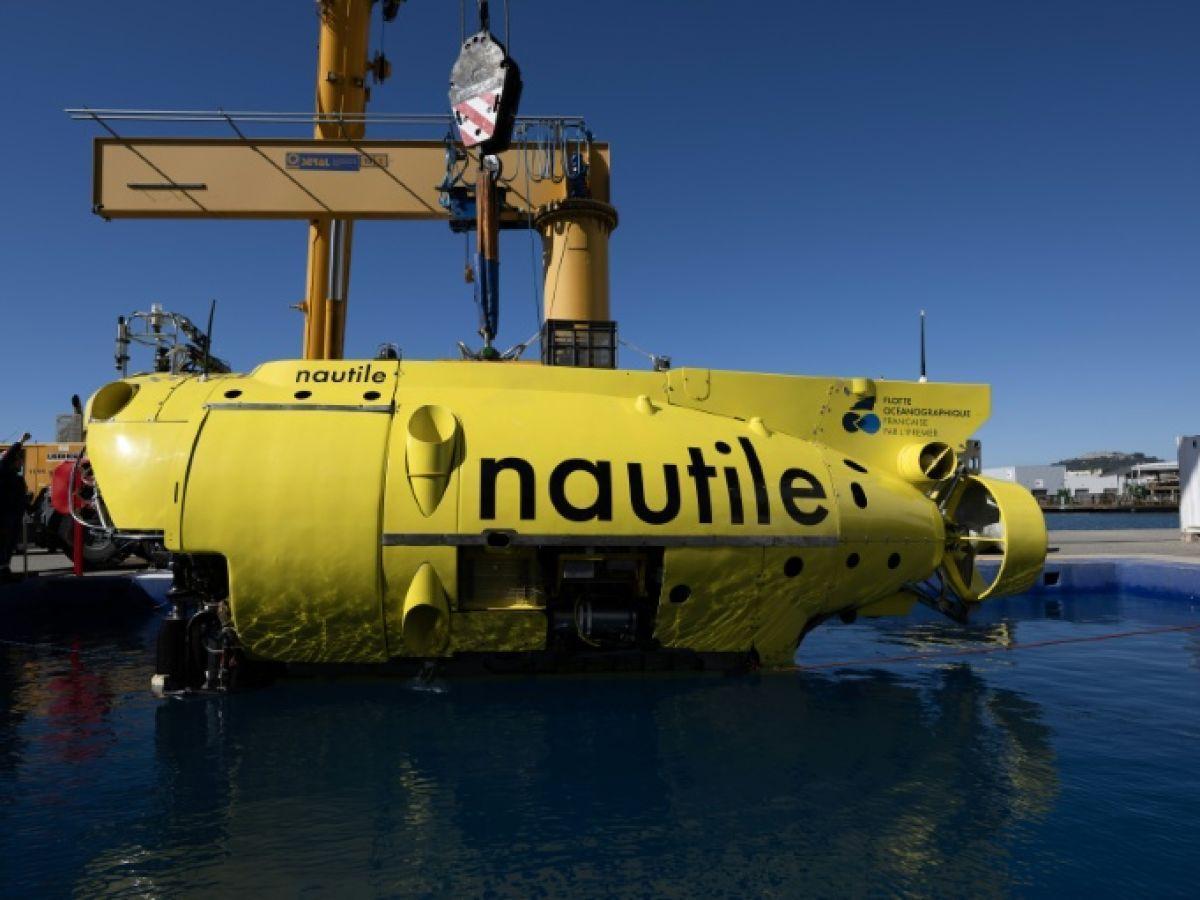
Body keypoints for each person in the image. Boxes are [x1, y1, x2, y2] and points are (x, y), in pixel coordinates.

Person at [0, 432, 32, 581]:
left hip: (14, 517)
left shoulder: (17, 478)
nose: (21, 463)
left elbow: (22, 500)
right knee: (3, 544)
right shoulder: (3, 472)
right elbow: (7, 457)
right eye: (19, 460)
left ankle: (5, 569)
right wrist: (21, 441)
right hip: (4, 517)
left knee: (10, 545)